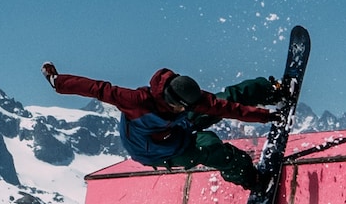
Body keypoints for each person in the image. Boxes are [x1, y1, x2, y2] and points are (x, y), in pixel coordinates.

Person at [41, 61, 290, 187]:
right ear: (172, 102)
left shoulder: (190, 99)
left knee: (228, 97)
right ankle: (251, 179)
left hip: (176, 127)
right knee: (210, 147)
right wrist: (57, 81)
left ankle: (273, 91)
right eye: (183, 107)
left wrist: (266, 116)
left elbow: (226, 108)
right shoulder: (137, 102)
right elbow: (97, 89)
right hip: (156, 150)